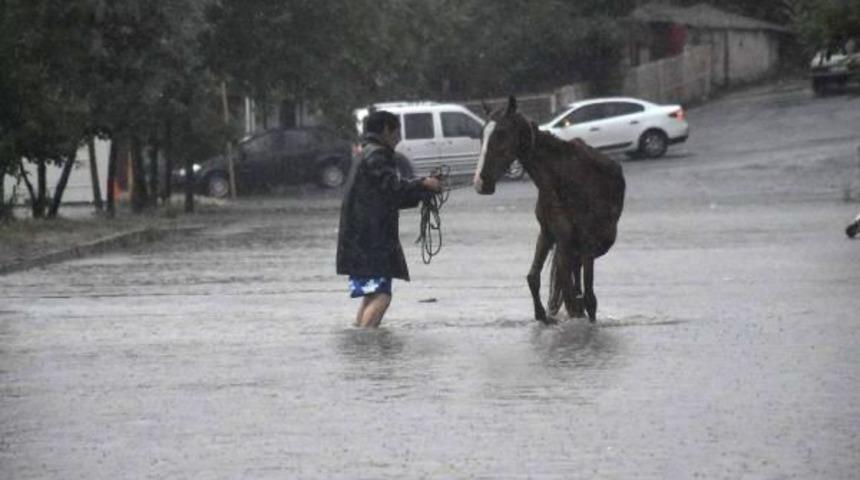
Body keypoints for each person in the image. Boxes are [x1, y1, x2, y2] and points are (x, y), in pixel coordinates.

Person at [336, 110, 442, 328]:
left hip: (360, 237)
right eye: (396, 133)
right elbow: (392, 189)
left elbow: (387, 195)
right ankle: (368, 346)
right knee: (382, 295)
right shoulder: (378, 154)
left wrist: (422, 190)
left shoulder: (364, 152)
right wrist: (423, 185)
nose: (398, 139)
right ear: (386, 130)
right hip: (371, 239)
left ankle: (361, 345)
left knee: (372, 294)